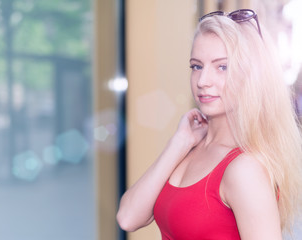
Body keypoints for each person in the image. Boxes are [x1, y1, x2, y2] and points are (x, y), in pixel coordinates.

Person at [117, 9, 302, 239]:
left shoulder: (244, 169)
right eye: (196, 66)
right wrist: (179, 143)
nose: (203, 81)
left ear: (250, 76)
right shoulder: (190, 147)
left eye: (222, 67)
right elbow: (128, 217)